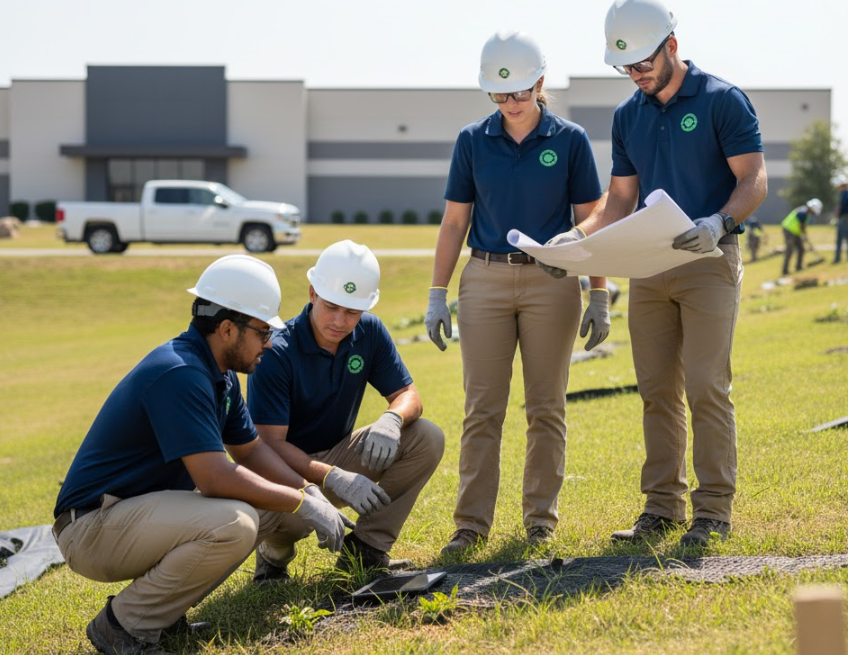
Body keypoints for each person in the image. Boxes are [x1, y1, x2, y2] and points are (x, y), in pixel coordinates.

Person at [540, 0, 768, 547]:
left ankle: (712, 510)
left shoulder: (722, 100)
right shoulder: (628, 115)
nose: (636, 75)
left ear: (670, 45)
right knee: (656, 390)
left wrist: (719, 222)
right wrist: (577, 238)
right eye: (626, 67)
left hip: (709, 259)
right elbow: (619, 199)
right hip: (649, 266)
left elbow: (754, 178)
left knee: (707, 384)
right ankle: (661, 508)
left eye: (642, 62)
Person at [53, 255, 353, 655]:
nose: (269, 343)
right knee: (236, 522)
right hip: (90, 529)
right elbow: (214, 477)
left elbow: (251, 450)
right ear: (228, 328)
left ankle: (162, 615)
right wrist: (302, 503)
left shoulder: (219, 375)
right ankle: (123, 625)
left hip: (128, 514)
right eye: (263, 331)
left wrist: (305, 490)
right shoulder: (181, 372)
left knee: (267, 508)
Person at [424, 30, 606, 555]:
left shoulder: (569, 140)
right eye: (499, 96)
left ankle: (540, 520)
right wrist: (438, 292)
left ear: (540, 83)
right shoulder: (472, 140)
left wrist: (600, 292)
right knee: (482, 407)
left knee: (546, 406)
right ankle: (470, 524)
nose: (510, 105)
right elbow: (454, 222)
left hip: (553, 281)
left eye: (520, 94)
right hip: (484, 279)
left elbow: (592, 219)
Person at [247, 240, 444, 573]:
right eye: (331, 306)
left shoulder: (369, 331)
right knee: (293, 524)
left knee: (426, 437)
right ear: (312, 294)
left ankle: (366, 550)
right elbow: (269, 447)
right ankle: (273, 556)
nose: (340, 320)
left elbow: (409, 394)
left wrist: (392, 419)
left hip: (339, 454)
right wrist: (335, 478)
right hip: (286, 473)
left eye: (352, 311)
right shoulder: (277, 351)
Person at [781, 198, 823, 276]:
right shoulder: (803, 212)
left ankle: (798, 267)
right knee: (789, 250)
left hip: (796, 232)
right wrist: (804, 236)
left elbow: (802, 227)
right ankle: (785, 270)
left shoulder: (805, 212)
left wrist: (803, 235)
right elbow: (802, 226)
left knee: (801, 249)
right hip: (789, 230)